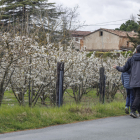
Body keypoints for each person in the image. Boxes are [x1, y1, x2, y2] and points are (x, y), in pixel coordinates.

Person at [113, 45, 140, 118]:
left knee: (136, 96)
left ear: (136, 51)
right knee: (138, 96)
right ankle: (133, 111)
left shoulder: (131, 59)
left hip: (133, 82)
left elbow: (124, 69)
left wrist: (117, 67)